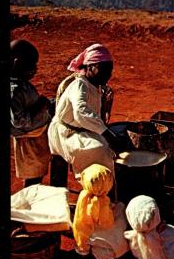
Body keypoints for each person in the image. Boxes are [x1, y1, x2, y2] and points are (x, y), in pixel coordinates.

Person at [48, 43, 120, 181]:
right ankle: (97, 188)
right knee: (100, 150)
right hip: (66, 133)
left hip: (80, 130)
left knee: (108, 148)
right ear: (89, 67)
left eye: (109, 70)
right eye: (103, 69)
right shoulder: (80, 84)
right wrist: (105, 133)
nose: (108, 74)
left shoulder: (95, 86)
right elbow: (81, 112)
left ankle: (100, 185)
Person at [10, 39, 52, 187]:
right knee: (33, 175)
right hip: (29, 139)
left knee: (38, 172)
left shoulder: (22, 85)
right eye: (31, 65)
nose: (35, 69)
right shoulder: (14, 91)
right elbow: (19, 121)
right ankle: (27, 205)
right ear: (16, 63)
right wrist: (40, 105)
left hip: (35, 135)